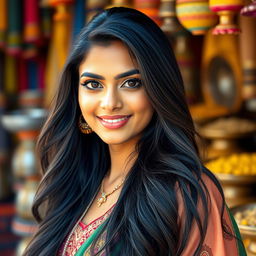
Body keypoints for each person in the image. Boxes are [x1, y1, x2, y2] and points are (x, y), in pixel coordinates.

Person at [23, 7, 246, 256]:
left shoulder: (187, 193)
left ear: (158, 89)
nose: (110, 102)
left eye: (131, 83)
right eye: (93, 84)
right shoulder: (76, 181)